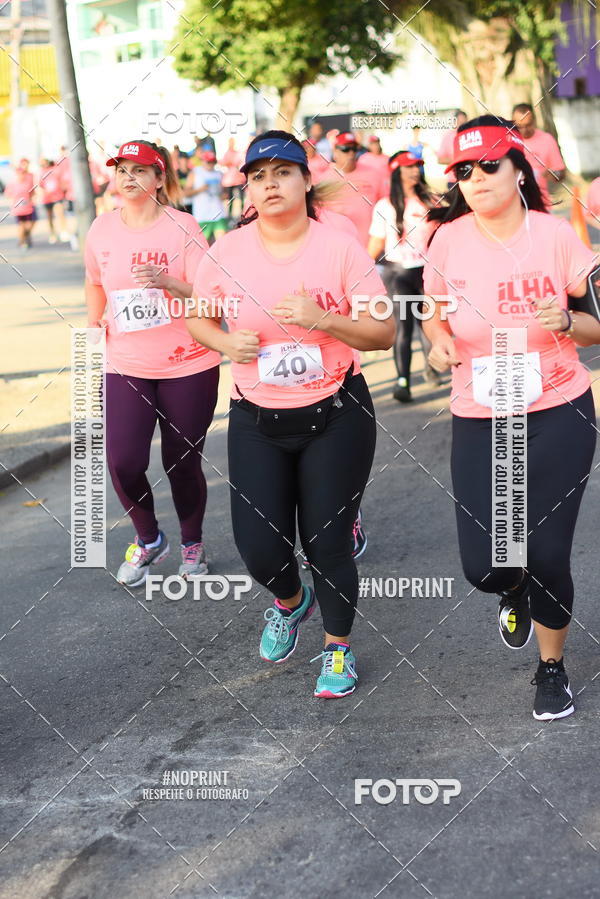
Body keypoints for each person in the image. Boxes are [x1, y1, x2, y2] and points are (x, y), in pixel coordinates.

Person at [186, 130, 395, 698]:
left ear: (307, 180)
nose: (270, 184)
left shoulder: (340, 247)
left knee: (327, 542)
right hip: (257, 418)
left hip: (337, 413)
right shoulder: (227, 250)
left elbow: (383, 331)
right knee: (260, 547)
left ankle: (337, 650)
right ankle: (289, 600)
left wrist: (324, 320)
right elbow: (199, 319)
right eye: (258, 176)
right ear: (248, 189)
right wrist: (226, 346)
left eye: (282, 172)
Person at [423, 116, 600, 720]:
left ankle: (551, 669)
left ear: (519, 169)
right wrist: (436, 340)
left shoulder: (555, 237)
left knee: (547, 550)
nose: (476, 178)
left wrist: (567, 322)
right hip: (482, 414)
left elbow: (597, 323)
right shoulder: (447, 241)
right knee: (487, 564)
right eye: (463, 170)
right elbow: (432, 312)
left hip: (558, 410)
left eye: (489, 165)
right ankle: (513, 588)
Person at [84, 139, 221, 587]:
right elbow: (94, 282)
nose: (128, 177)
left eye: (140, 170)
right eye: (121, 169)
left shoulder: (184, 227)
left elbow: (211, 296)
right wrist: (92, 322)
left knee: (181, 461)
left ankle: (191, 543)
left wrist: (167, 282)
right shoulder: (101, 229)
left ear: (160, 179)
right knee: (123, 459)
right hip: (125, 361)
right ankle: (148, 538)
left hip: (188, 361)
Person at [368, 151, 440, 402]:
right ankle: (403, 382)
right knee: (403, 328)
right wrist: (361, 273)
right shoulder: (385, 206)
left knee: (430, 325)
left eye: (418, 165)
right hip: (397, 273)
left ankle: (432, 368)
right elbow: (375, 244)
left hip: (427, 271)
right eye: (409, 167)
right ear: (397, 171)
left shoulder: (431, 201)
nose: (414, 171)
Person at [314, 132, 385, 247]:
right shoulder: (323, 180)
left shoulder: (374, 174)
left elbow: (385, 205)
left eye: (354, 149)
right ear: (335, 151)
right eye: (346, 149)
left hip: (370, 248)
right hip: (336, 249)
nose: (351, 153)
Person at [512, 103, 566, 209]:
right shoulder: (508, 140)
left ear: (535, 121)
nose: (524, 130)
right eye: (520, 126)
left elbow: (561, 173)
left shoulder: (547, 140)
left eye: (528, 125)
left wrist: (554, 174)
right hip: (515, 205)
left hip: (541, 204)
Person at [184, 150, 228, 242]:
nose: (211, 164)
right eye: (208, 162)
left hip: (218, 213)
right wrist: (200, 189)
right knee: (203, 246)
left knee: (222, 244)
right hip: (202, 216)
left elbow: (223, 193)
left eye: (213, 162)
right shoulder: (195, 172)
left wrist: (223, 195)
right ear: (202, 161)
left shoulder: (218, 174)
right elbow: (185, 193)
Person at [6, 158, 36, 251]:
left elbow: (32, 193)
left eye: (22, 173)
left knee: (28, 225)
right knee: (21, 226)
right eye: (19, 173)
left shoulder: (28, 182)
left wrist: (31, 200)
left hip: (28, 208)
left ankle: (25, 239)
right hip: (18, 209)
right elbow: (8, 194)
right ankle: (23, 242)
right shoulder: (12, 183)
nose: (21, 175)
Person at [437, 109, 467, 190]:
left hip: (469, 179)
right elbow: (440, 160)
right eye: (459, 122)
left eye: (464, 123)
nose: (461, 125)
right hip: (453, 181)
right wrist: (459, 159)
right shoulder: (448, 136)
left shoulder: (471, 135)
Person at [219, 137, 246, 219]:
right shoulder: (227, 153)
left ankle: (243, 215)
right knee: (230, 199)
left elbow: (241, 162)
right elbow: (222, 162)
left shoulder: (238, 153)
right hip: (230, 181)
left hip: (239, 179)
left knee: (241, 198)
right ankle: (230, 216)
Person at [39, 158, 64, 244]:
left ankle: (63, 231)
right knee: (49, 217)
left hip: (57, 196)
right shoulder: (41, 172)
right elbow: (40, 185)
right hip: (47, 197)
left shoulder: (55, 169)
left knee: (60, 213)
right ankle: (52, 234)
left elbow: (61, 181)